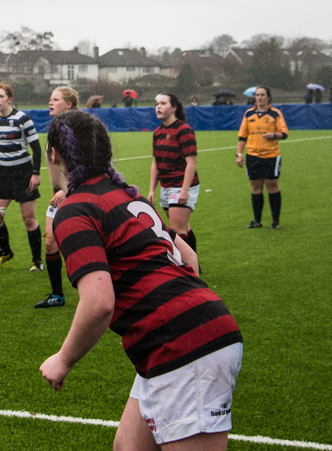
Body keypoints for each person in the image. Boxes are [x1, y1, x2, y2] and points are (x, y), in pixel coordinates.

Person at [40, 110, 243, 450]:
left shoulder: (74, 210)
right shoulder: (128, 195)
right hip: (184, 337)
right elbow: (189, 259)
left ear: (54, 154)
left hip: (183, 347)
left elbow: (99, 303)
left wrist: (63, 360)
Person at [0, 83, 43, 273]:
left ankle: (37, 260)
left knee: (28, 219)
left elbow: (37, 149)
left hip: (23, 173)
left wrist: (36, 173)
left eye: (0, 96)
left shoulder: (23, 119)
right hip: (1, 173)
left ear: (10, 99)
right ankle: (5, 251)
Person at [35, 86, 78, 309]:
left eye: (56, 99)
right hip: (58, 196)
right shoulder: (56, 128)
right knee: (50, 243)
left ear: (68, 104)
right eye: (49, 98)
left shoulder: (76, 129)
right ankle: (57, 295)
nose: (50, 102)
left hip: (77, 194)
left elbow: (83, 166)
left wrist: (67, 190)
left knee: (84, 244)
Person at [149, 93, 200, 253]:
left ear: (174, 108)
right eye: (157, 103)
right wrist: (152, 189)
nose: (158, 106)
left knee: (177, 230)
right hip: (166, 185)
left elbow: (191, 162)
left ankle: (187, 270)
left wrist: (184, 190)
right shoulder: (158, 132)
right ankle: (194, 265)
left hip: (181, 185)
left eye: (163, 103)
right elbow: (156, 162)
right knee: (183, 227)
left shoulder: (184, 130)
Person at [237, 86, 289, 229]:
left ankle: (275, 221)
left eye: (262, 95)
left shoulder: (275, 114)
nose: (259, 97)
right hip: (253, 156)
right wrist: (239, 155)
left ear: (268, 97)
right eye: (257, 95)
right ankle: (257, 221)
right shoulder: (249, 114)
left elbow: (284, 133)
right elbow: (242, 136)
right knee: (255, 187)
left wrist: (274, 135)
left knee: (272, 186)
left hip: (271, 156)